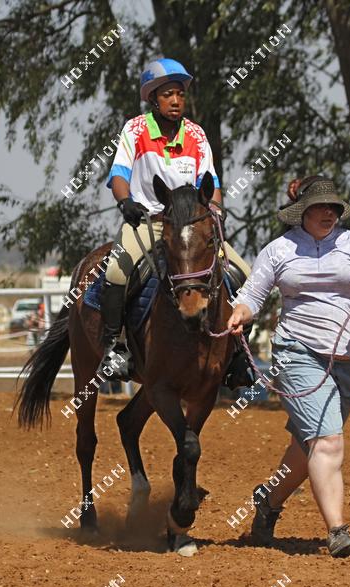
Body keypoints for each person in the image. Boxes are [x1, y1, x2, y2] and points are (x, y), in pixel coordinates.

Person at [227, 175, 350, 558]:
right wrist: (241, 312)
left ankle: (268, 500)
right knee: (327, 441)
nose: (328, 213)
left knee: (308, 446)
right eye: (320, 207)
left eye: (333, 207)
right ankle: (337, 530)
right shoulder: (279, 250)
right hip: (297, 352)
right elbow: (253, 293)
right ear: (302, 212)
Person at [99, 57, 253, 386]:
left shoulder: (196, 134)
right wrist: (125, 202)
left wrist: (215, 211)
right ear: (153, 98)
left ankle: (238, 355)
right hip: (148, 221)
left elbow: (211, 182)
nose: (175, 100)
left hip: (191, 225)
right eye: (168, 94)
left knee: (245, 275)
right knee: (115, 272)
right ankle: (116, 347)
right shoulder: (135, 129)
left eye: (180, 94)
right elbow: (119, 175)